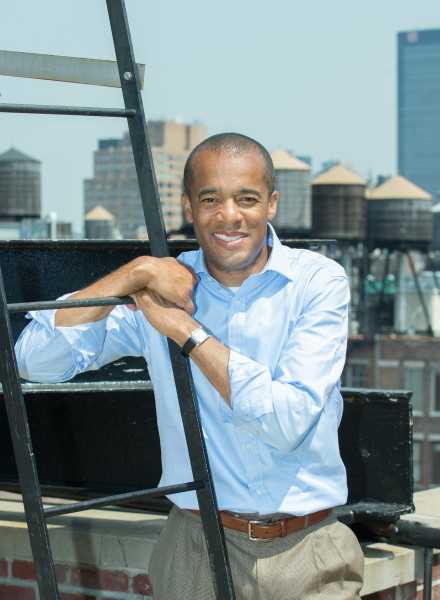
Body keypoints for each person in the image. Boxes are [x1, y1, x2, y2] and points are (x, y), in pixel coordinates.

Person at [15, 133, 364, 599]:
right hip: (194, 550)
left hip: (306, 551)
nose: (229, 216)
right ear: (188, 206)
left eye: (247, 199)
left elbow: (287, 422)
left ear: (272, 204)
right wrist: (130, 274)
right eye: (210, 199)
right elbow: (34, 361)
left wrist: (186, 332)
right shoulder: (157, 286)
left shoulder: (317, 282)